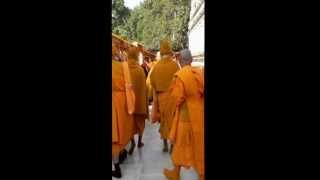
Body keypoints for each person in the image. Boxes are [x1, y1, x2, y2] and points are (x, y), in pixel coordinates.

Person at [163, 49, 204, 180]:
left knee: (179, 145)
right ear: (191, 60)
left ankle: (175, 172)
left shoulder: (181, 75)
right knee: (199, 144)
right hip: (199, 114)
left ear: (180, 61)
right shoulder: (199, 72)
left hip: (186, 117)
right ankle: (202, 174)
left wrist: (167, 111)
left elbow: (177, 98)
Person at [149, 39, 179, 152]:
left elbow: (152, 82)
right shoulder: (175, 65)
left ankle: (165, 144)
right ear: (169, 51)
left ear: (161, 52)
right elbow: (179, 80)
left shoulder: (156, 67)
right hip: (173, 97)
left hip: (161, 99)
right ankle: (172, 145)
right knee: (172, 121)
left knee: (163, 121)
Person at [112, 41, 135, 178]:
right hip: (123, 102)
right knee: (121, 131)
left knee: (114, 136)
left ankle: (116, 167)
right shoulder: (123, 67)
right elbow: (129, 86)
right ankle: (122, 153)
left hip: (114, 102)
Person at [127, 46, 148, 154]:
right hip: (139, 102)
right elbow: (144, 87)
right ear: (136, 56)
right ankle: (139, 141)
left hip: (128, 103)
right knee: (140, 122)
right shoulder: (140, 70)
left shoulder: (124, 69)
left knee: (129, 124)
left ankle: (132, 142)